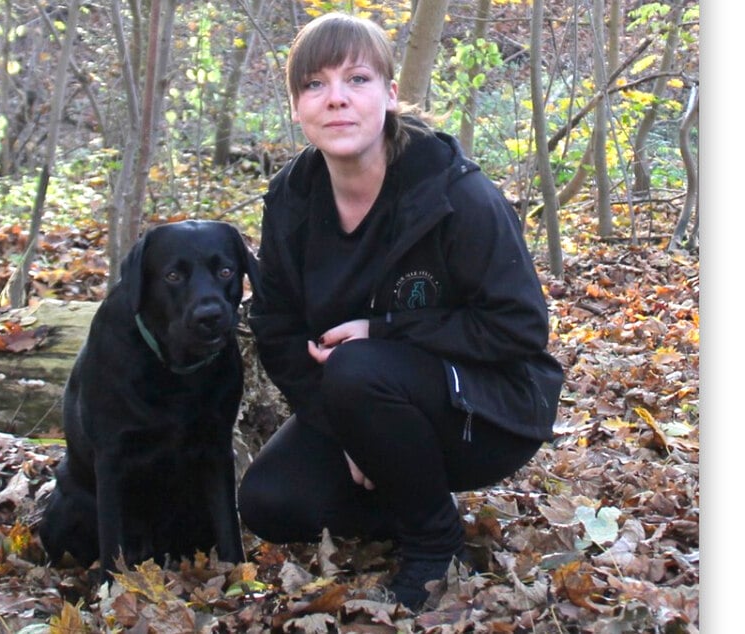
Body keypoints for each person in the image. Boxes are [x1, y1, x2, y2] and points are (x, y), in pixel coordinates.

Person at [237, 12, 564, 611]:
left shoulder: (454, 194)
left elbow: (520, 327)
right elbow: (276, 325)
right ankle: (419, 502)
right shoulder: (292, 198)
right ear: (296, 107)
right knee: (270, 502)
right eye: (314, 84)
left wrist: (384, 330)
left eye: (357, 79)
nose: (336, 98)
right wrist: (351, 434)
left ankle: (434, 545)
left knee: (358, 366)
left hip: (488, 409)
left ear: (390, 95)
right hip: (364, 399)